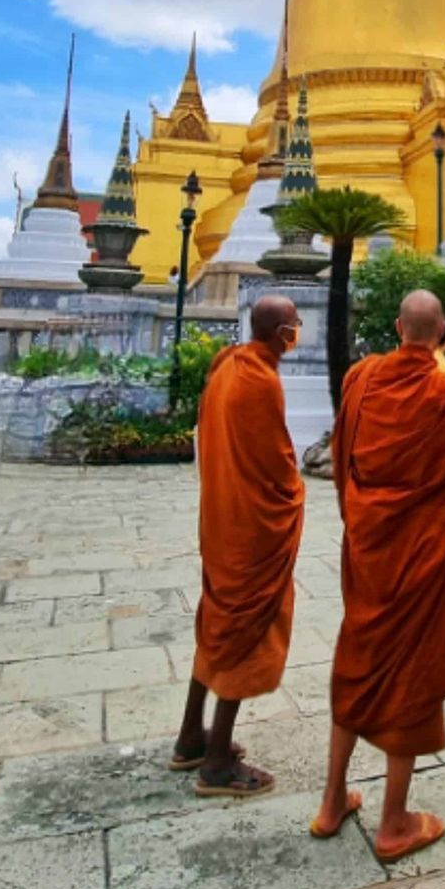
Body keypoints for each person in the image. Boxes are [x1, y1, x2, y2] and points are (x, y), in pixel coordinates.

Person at [312, 290, 445, 861]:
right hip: (420, 561)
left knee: (355, 668)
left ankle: (330, 802)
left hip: (373, 553)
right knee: (413, 685)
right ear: (444, 331)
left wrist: (363, 523)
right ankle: (394, 823)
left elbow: (344, 459)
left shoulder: (362, 381)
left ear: (398, 327)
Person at [171, 294, 305, 798]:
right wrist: (296, 493)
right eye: (294, 324)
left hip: (222, 518)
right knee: (244, 629)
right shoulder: (259, 380)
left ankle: (191, 736)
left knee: (217, 620)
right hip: (251, 529)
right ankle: (219, 761)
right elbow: (276, 465)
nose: (299, 330)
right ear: (279, 333)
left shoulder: (228, 365)